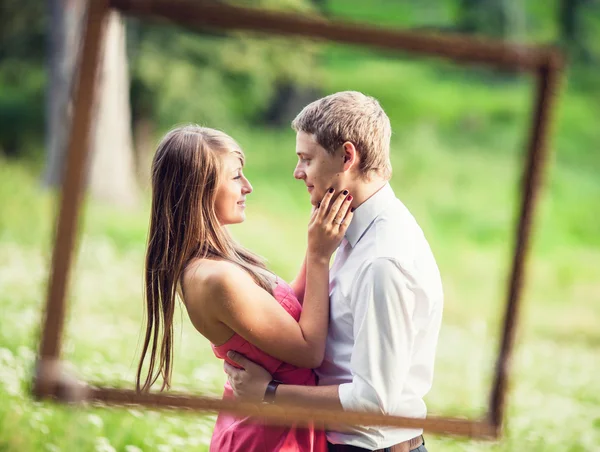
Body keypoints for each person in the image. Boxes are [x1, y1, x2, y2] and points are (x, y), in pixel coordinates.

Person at [224, 91, 443, 452]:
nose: (297, 173)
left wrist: (268, 394)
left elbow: (373, 404)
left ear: (346, 156)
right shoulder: (344, 229)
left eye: (306, 159)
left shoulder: (383, 262)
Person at [135, 125, 355, 452]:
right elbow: (308, 351)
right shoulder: (214, 278)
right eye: (236, 177)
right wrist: (319, 256)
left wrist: (318, 236)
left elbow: (287, 310)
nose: (248, 187)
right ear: (200, 189)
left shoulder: (214, 262)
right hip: (265, 438)